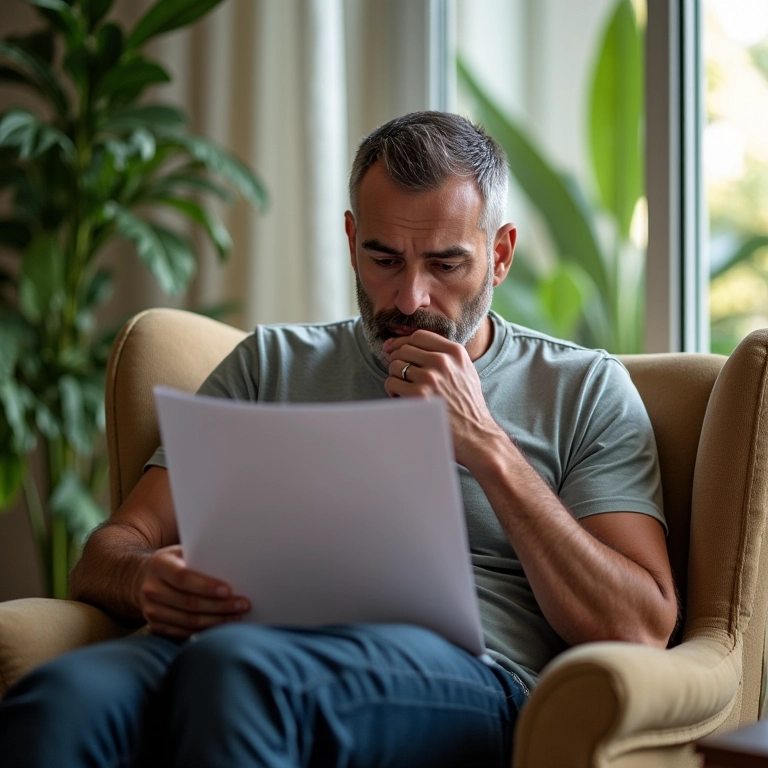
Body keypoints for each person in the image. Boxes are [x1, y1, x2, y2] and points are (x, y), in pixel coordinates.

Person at [0, 111, 678, 767]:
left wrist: (484, 443)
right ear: (353, 241)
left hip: (465, 675)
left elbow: (641, 624)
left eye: (446, 265)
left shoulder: (583, 388)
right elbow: (106, 553)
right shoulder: (270, 365)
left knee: (243, 673)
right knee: (56, 700)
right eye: (384, 258)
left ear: (499, 256)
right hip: (231, 645)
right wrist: (144, 577)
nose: (410, 297)